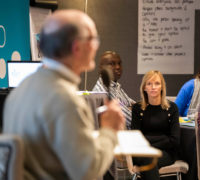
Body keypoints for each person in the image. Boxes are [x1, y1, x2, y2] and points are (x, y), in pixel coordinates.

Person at [3, 9, 125, 180]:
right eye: (93, 39)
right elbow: (88, 172)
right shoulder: (66, 100)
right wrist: (109, 130)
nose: (96, 45)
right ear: (77, 47)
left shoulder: (20, 91)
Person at [131, 70, 180, 179]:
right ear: (144, 88)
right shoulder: (137, 108)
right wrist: (163, 139)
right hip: (140, 152)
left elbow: (175, 140)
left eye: (157, 83)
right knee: (148, 159)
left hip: (165, 153)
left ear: (162, 87)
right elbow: (135, 139)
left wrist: (147, 142)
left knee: (149, 161)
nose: (153, 87)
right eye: (149, 83)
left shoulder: (172, 108)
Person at [93, 51, 135, 129]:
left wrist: (128, 106)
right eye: (112, 64)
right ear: (101, 68)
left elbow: (132, 104)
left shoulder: (115, 86)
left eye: (119, 63)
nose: (118, 67)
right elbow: (129, 119)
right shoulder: (102, 90)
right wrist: (128, 107)